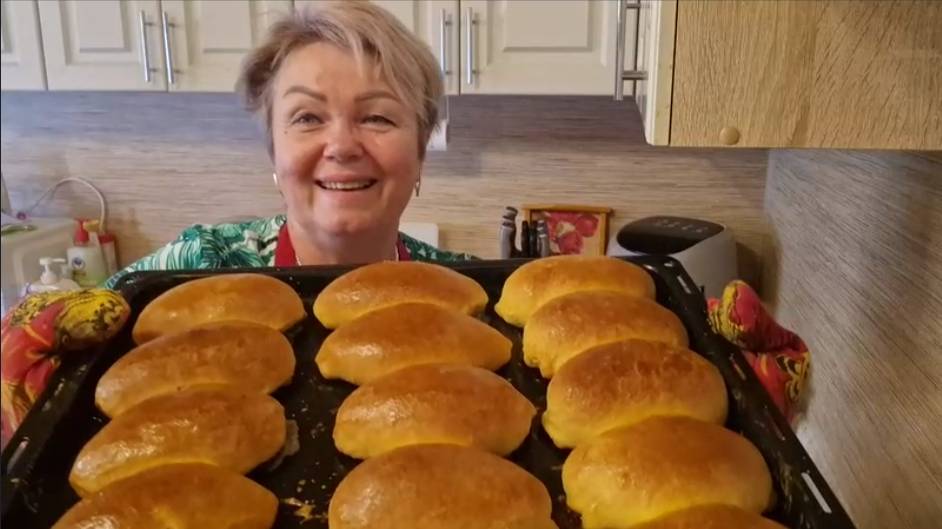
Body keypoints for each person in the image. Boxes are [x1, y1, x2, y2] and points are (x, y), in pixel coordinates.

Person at [105, 1, 471, 289]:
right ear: (274, 153)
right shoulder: (203, 265)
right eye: (308, 118)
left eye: (377, 117)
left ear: (420, 151)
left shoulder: (465, 288)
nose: (341, 146)